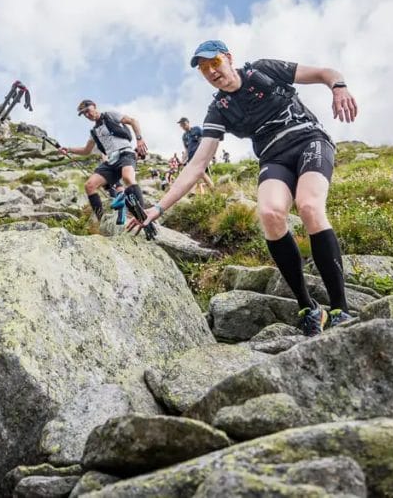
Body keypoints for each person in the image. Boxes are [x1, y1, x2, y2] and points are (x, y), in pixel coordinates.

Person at [130, 39, 359, 336]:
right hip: (274, 157)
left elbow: (325, 72)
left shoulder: (262, 71)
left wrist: (338, 86)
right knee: (270, 214)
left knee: (309, 206)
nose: (211, 71)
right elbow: (198, 165)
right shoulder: (219, 110)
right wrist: (158, 208)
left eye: (215, 63)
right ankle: (308, 307)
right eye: (204, 69)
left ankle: (341, 308)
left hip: (309, 140)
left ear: (228, 58)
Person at [60, 99, 149, 222]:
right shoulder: (94, 132)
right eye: (84, 114)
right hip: (111, 160)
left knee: (127, 177)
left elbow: (133, 121)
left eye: (88, 110)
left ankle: (142, 217)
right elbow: (86, 150)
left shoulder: (109, 115)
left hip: (125, 153)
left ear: (94, 106)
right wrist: (69, 149)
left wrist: (139, 139)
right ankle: (101, 220)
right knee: (89, 185)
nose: (87, 115)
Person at [178, 117, 215, 194]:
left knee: (196, 173)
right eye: (181, 125)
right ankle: (212, 189)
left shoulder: (197, 129)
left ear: (188, 123)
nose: (183, 126)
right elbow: (186, 150)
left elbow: (205, 139)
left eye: (184, 124)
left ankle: (193, 192)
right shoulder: (184, 136)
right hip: (191, 159)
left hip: (200, 155)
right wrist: (182, 161)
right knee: (198, 174)